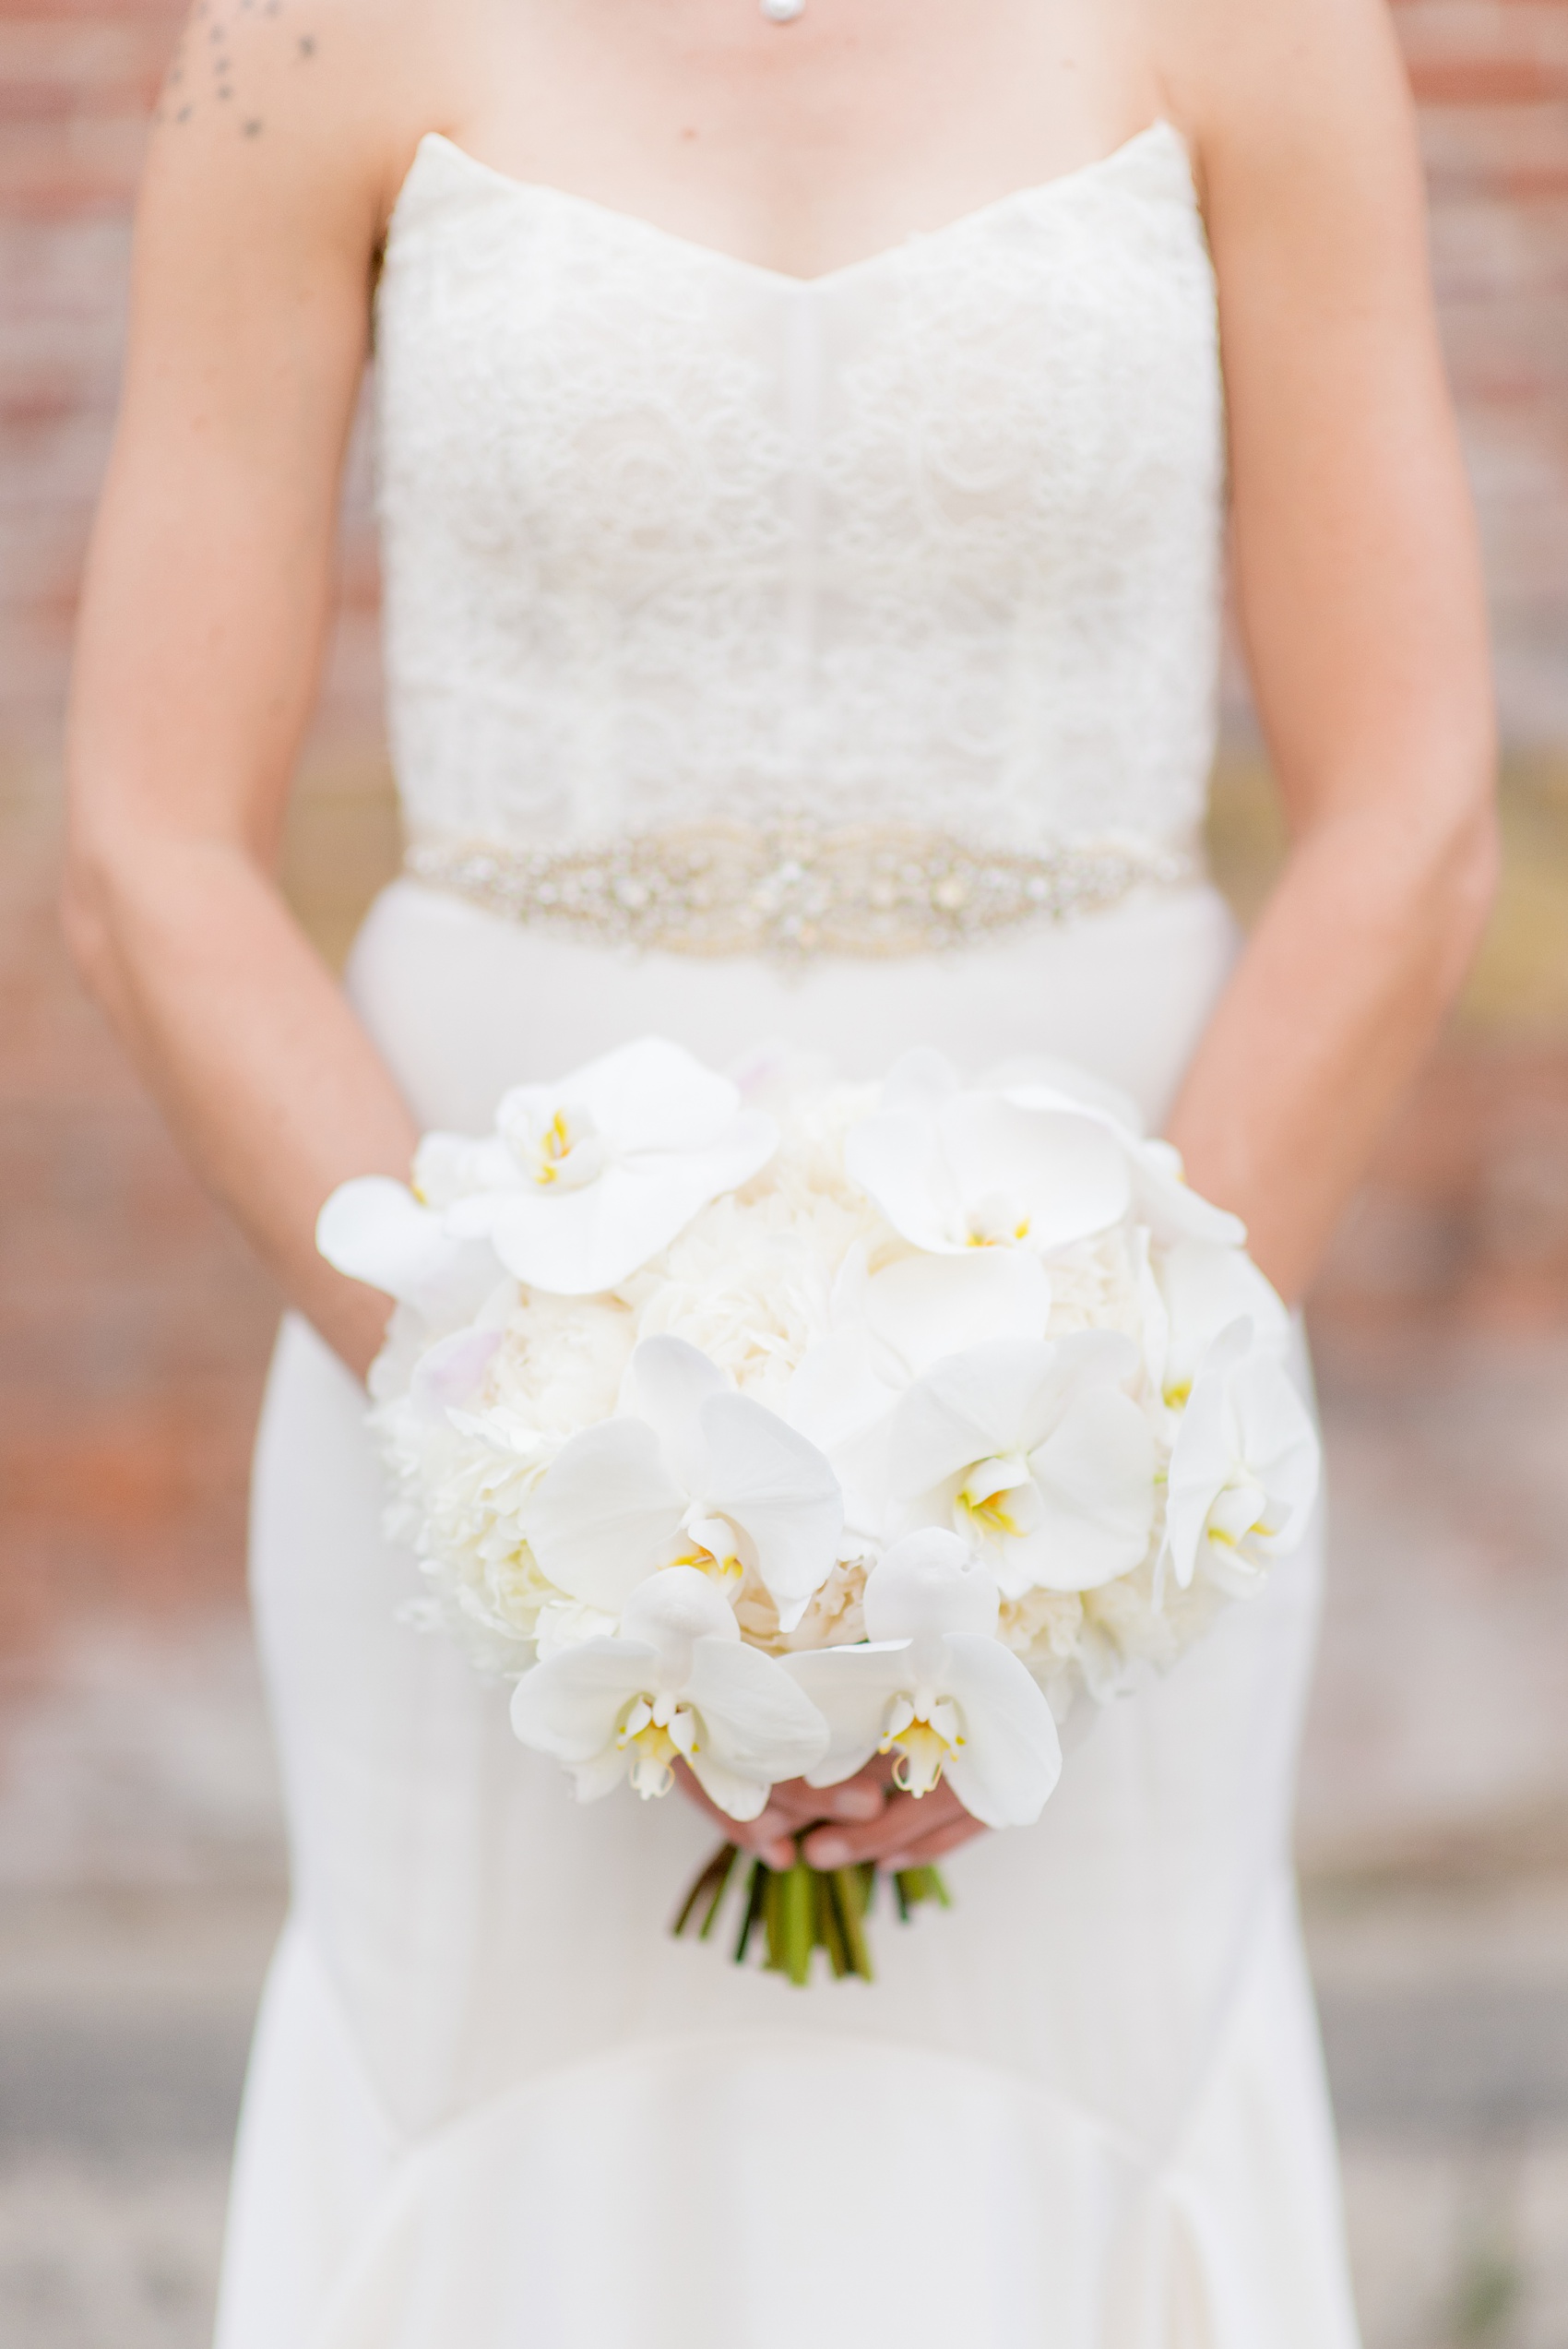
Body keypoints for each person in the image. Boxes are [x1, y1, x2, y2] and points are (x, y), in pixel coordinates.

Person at [64, 0, 1495, 2340]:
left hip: (1103, 1335)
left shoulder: (1259, 28)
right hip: (470, 1322)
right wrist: (517, 1444)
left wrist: (1109, 1461)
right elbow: (147, 856)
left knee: (1071, 2128)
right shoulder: (301, 43)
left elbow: (1410, 809)